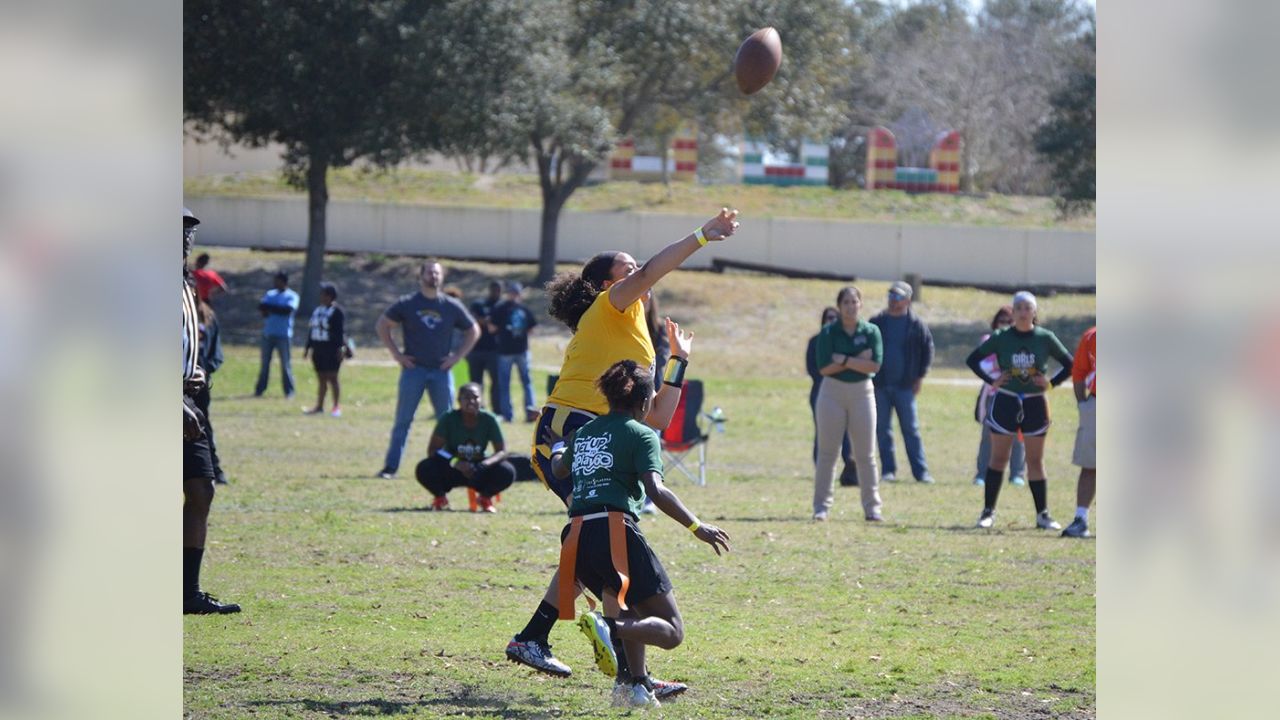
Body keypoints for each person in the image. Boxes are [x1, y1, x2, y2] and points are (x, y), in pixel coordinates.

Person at [504, 207, 738, 687]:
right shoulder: (608, 308)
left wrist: (678, 363)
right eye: (625, 269)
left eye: (634, 269)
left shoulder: (636, 336)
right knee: (604, 541)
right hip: (566, 436)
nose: (637, 275)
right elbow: (654, 269)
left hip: (597, 437)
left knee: (606, 544)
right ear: (604, 285)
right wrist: (702, 235)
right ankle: (556, 643)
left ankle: (628, 676)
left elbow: (653, 420)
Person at [547, 360, 731, 707]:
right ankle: (607, 627)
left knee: (630, 612)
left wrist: (559, 445)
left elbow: (559, 468)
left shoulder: (586, 433)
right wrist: (697, 526)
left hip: (576, 537)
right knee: (672, 630)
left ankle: (633, 686)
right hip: (613, 532)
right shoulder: (641, 432)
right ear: (645, 402)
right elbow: (656, 491)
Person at [965, 291, 1074, 530]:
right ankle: (987, 512)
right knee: (998, 458)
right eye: (1019, 308)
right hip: (1006, 400)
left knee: (1035, 460)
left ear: (1034, 312)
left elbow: (1070, 364)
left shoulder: (1045, 337)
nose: (1023, 312)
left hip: (1035, 402)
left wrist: (1051, 383)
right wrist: (992, 380)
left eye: (1028, 308)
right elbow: (973, 359)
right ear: (1013, 313)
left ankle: (1042, 515)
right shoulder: (1002, 337)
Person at [182, 207, 239, 614]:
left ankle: (187, 592)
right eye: (177, 231)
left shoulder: (186, 283)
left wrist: (196, 369)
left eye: (189, 232)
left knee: (202, 488)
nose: (185, 238)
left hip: (190, 397)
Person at [375, 260, 480, 479]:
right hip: (414, 371)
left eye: (437, 273)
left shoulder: (450, 305)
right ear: (420, 276)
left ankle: (449, 468)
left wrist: (456, 357)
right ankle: (390, 468)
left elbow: (473, 330)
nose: (433, 276)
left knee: (449, 423)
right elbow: (382, 325)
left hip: (441, 373)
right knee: (403, 421)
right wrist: (397, 354)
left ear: (442, 277)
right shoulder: (408, 303)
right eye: (429, 272)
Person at [812, 286, 884, 522]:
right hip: (832, 392)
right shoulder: (829, 332)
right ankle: (821, 507)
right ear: (839, 306)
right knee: (827, 453)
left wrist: (842, 359)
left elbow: (874, 365)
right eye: (846, 303)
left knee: (865, 454)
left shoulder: (871, 330)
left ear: (861, 305)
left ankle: (872, 508)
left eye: (855, 302)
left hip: (862, 392)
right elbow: (825, 367)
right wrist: (856, 360)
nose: (851, 307)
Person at [869, 281, 935, 484]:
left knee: (911, 429)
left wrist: (920, 377)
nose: (893, 301)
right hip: (880, 385)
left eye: (898, 297)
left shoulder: (916, 324)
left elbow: (927, 350)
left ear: (907, 300)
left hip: (905, 386)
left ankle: (921, 472)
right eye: (891, 296)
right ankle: (888, 470)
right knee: (882, 429)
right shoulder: (877, 322)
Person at [414, 383, 516, 512]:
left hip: (478, 468)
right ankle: (440, 497)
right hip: (453, 466)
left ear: (481, 400)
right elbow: (433, 450)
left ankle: (485, 498)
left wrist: (484, 465)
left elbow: (501, 451)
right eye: (467, 397)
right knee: (424, 467)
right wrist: (455, 462)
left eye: (476, 397)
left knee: (507, 471)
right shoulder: (448, 418)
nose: (471, 401)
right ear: (459, 401)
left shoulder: (489, 419)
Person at [973, 306, 1027, 487]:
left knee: (1018, 437)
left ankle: (1017, 474)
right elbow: (984, 365)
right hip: (993, 395)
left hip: (1017, 395)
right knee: (989, 436)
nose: (1004, 325)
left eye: (1009, 321)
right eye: (1001, 321)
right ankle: (982, 474)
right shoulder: (987, 341)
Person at [807, 306, 855, 486]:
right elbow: (814, 370)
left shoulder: (845, 342)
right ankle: (822, 469)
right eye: (828, 317)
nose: (831, 320)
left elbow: (854, 367)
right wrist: (838, 368)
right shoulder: (815, 342)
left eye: (835, 317)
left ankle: (850, 469)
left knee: (846, 433)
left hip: (845, 391)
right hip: (820, 392)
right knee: (823, 432)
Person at [1062, 326, 1097, 538]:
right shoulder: (1093, 335)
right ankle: (1081, 518)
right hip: (1097, 402)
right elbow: (1078, 371)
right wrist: (1083, 404)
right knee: (1090, 464)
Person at [490, 281, 539, 423]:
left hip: (507, 350)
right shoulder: (524, 309)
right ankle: (530, 413)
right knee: (526, 382)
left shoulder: (500, 308)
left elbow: (492, 328)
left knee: (506, 383)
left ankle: (508, 415)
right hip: (520, 350)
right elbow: (532, 329)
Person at [302, 282, 349, 418]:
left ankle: (335, 407)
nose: (320, 296)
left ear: (329, 296)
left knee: (333, 378)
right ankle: (319, 406)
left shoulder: (337, 312)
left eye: (322, 294)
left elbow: (340, 332)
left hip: (332, 350)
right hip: (318, 349)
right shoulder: (317, 310)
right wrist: (307, 348)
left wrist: (341, 349)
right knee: (321, 378)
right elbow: (312, 330)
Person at [195, 299, 229, 485]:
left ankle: (214, 468)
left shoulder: (208, 316)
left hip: (198, 382)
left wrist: (206, 368)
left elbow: (215, 351)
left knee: (202, 423)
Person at [253, 271, 300, 398]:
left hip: (284, 335)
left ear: (284, 282)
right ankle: (259, 390)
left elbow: (287, 310)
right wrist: (275, 308)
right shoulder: (270, 294)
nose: (275, 283)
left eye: (278, 281)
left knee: (285, 365)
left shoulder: (292, 296)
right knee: (264, 364)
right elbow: (261, 306)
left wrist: (271, 308)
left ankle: (289, 391)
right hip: (268, 334)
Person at [467, 280, 504, 411]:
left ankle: (497, 410)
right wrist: (486, 321)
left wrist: (486, 321)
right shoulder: (479, 304)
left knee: (496, 383)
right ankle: (478, 408)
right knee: (476, 382)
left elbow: (501, 324)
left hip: (494, 350)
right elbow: (471, 319)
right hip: (476, 349)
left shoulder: (502, 306)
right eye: (494, 289)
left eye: (498, 290)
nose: (496, 293)